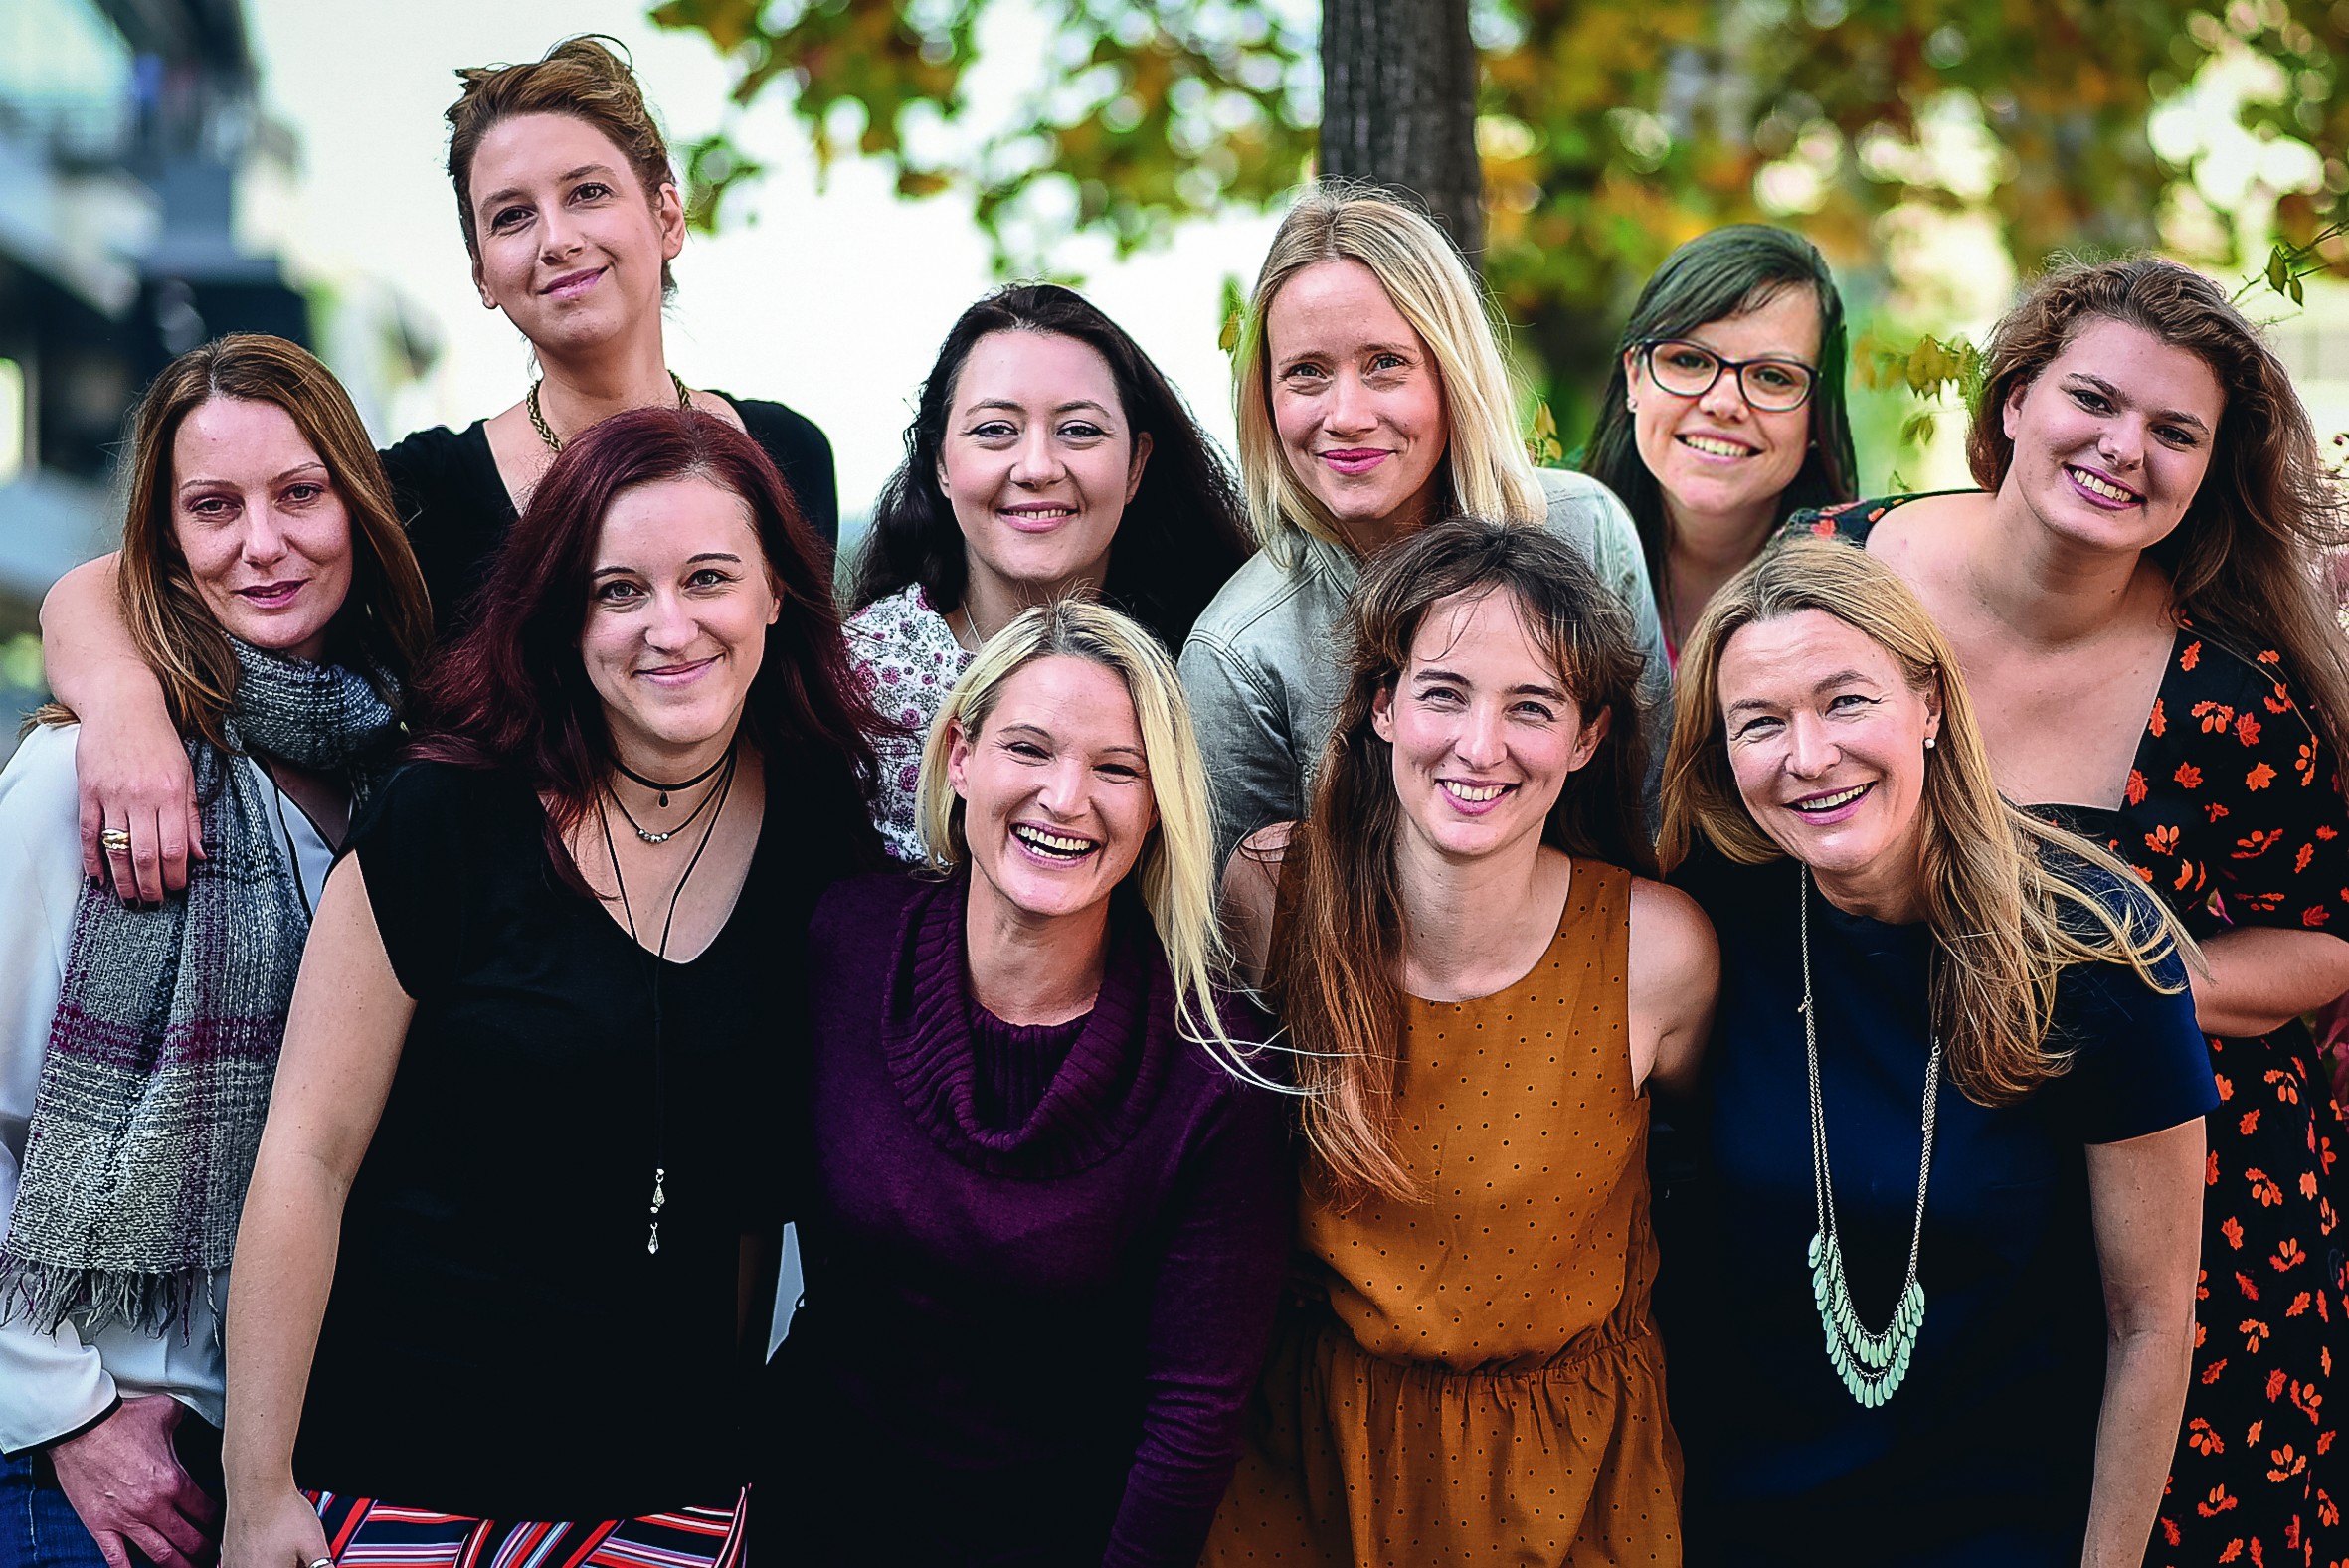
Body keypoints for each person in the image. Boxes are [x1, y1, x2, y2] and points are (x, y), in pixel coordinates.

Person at [219, 407, 879, 1566]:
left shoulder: (822, 835)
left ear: (777, 590)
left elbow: (753, 1204)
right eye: (618, 589)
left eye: (709, 577)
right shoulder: (443, 817)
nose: (669, 625)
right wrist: (256, 1485)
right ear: (563, 615)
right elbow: (306, 1158)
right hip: (402, 1479)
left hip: (671, 1498)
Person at [1795, 257, 2348, 1566]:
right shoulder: (1837, 573)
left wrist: (2125, 980)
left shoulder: (2229, 695)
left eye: (2173, 432)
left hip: (2189, 1208)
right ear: (2012, 401)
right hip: (1892, 1166)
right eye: (2091, 399)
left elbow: (2327, 936)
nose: (2121, 448)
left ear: (2207, 470)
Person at [44, 35, 838, 904]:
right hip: (509, 953)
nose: (556, 239)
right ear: (482, 274)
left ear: (668, 218)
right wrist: (123, 710)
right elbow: (103, 588)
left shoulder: (786, 455)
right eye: (512, 216)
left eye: (588, 193)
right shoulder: (423, 492)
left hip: (761, 924)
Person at [1659, 538, 2215, 1565]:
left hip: (2002, 1532)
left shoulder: (2091, 944)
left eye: (1845, 701)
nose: (1809, 755)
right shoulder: (1707, 919)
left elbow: (2149, 1320)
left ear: (1929, 701)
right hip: (1742, 1525)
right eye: (1760, 722)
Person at [1202, 515, 1717, 1566]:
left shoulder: (1656, 953)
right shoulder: (1272, 891)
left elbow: (1716, 1193)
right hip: (1310, 1460)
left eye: (1531, 706)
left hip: (1565, 1479)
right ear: (1382, 705)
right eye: (1443, 693)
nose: (1480, 746)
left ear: (1586, 738)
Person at [0, 336, 429, 1568]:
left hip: (313, 1451)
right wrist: (64, 1411)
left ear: (357, 504)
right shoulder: (85, 779)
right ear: (165, 535)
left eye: (300, 494)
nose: (262, 543)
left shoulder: (399, 772)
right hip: (103, 1474)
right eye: (214, 507)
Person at [769, 597, 1289, 1566]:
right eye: (1029, 748)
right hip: (809, 1514)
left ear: (1159, 805)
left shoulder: (1221, 1070)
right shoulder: (845, 942)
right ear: (961, 756)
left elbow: (1191, 1419)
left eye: (1116, 768)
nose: (1065, 796)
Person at [1181, 182, 1673, 870]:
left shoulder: (1586, 533)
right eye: (1306, 372)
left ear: (1452, 370)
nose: (1346, 415)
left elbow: (1654, 821)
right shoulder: (1239, 656)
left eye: (1386, 364)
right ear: (1265, 395)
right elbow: (1249, 919)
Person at [845, 283, 1253, 860]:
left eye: (1079, 430)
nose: (1036, 468)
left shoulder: (1213, 665)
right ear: (940, 462)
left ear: (1136, 465)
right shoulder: (859, 681)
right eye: (995, 430)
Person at [1580, 224, 1858, 666]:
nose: (1723, 403)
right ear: (1635, 376)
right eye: (1688, 360)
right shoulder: (1546, 548)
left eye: (1773, 376)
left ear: (1818, 414)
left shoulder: (1866, 609)